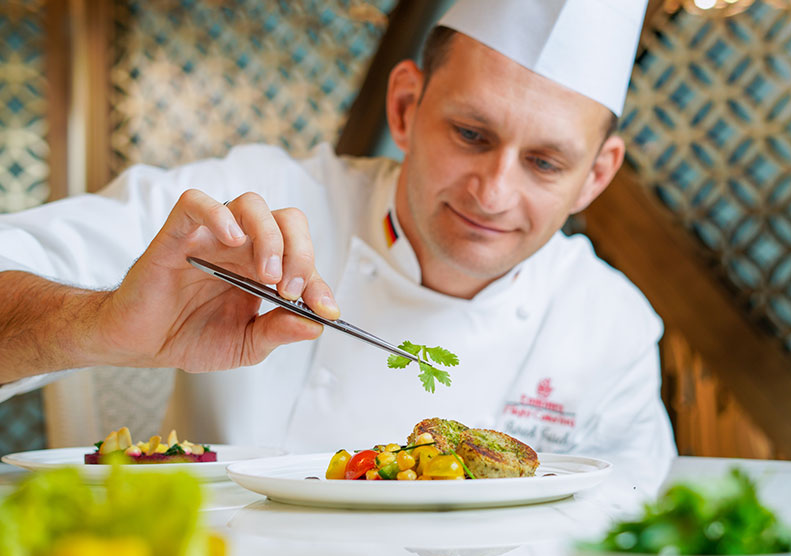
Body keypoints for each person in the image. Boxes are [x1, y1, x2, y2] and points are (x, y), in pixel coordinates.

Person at [0, 0, 674, 495]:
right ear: (406, 106)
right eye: (471, 133)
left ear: (598, 174)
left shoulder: (611, 331)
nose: (494, 193)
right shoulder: (244, 206)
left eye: (546, 164)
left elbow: (622, 549)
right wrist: (102, 324)